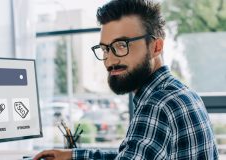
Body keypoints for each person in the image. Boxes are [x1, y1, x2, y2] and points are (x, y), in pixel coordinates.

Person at [33, 0, 219, 159]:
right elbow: (134, 154)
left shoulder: (156, 104)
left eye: (121, 45)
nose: (110, 60)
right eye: (105, 48)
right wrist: (73, 156)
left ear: (156, 47)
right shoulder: (182, 92)